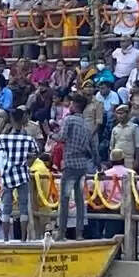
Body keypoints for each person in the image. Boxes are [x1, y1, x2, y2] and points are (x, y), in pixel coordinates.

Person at [0, 107, 39, 242]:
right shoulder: (28, 139)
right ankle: (23, 239)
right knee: (23, 207)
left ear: (11, 120)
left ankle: (6, 239)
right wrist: (26, 158)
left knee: (6, 207)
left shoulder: (3, 138)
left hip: (8, 173)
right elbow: (36, 152)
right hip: (23, 173)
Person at [58, 93, 97, 240]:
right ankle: (79, 234)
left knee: (65, 199)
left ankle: (61, 233)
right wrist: (98, 163)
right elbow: (94, 148)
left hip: (70, 164)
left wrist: (50, 133)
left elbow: (62, 138)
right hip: (82, 165)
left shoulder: (69, 120)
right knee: (80, 200)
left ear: (74, 105)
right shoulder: (87, 125)